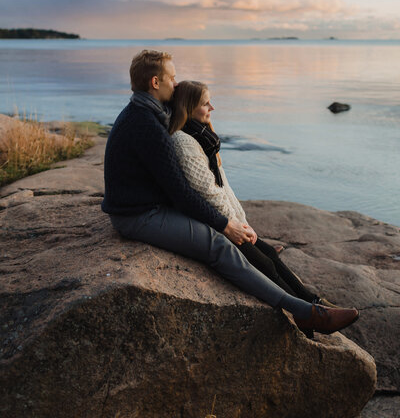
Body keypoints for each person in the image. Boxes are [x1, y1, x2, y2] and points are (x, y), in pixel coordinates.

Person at [102, 49, 359, 336]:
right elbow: (181, 194)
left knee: (232, 237)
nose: (176, 84)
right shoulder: (146, 124)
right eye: (172, 78)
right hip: (138, 216)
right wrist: (226, 225)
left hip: (152, 205)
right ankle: (303, 312)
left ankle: (300, 297)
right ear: (154, 82)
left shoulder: (148, 113)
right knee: (219, 243)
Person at [169, 80, 334, 312]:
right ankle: (306, 314)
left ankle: (313, 301)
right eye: (206, 103)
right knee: (265, 264)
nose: (212, 108)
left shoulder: (203, 136)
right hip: (213, 222)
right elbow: (207, 192)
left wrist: (242, 220)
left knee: (268, 254)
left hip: (224, 219)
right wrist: (234, 224)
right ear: (188, 106)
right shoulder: (184, 141)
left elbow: (223, 186)